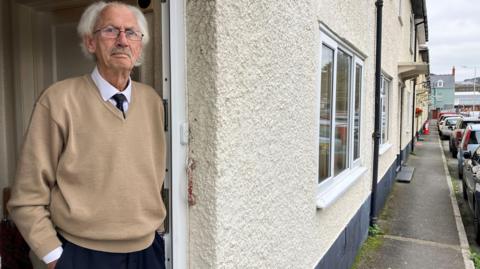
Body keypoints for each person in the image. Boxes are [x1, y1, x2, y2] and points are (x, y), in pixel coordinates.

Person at [7, 1, 167, 269]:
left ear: (139, 45)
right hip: (82, 255)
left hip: (147, 253)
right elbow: (25, 197)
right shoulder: (58, 100)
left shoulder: (152, 102)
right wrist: (55, 257)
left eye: (131, 32)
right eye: (110, 30)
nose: (122, 40)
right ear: (90, 42)